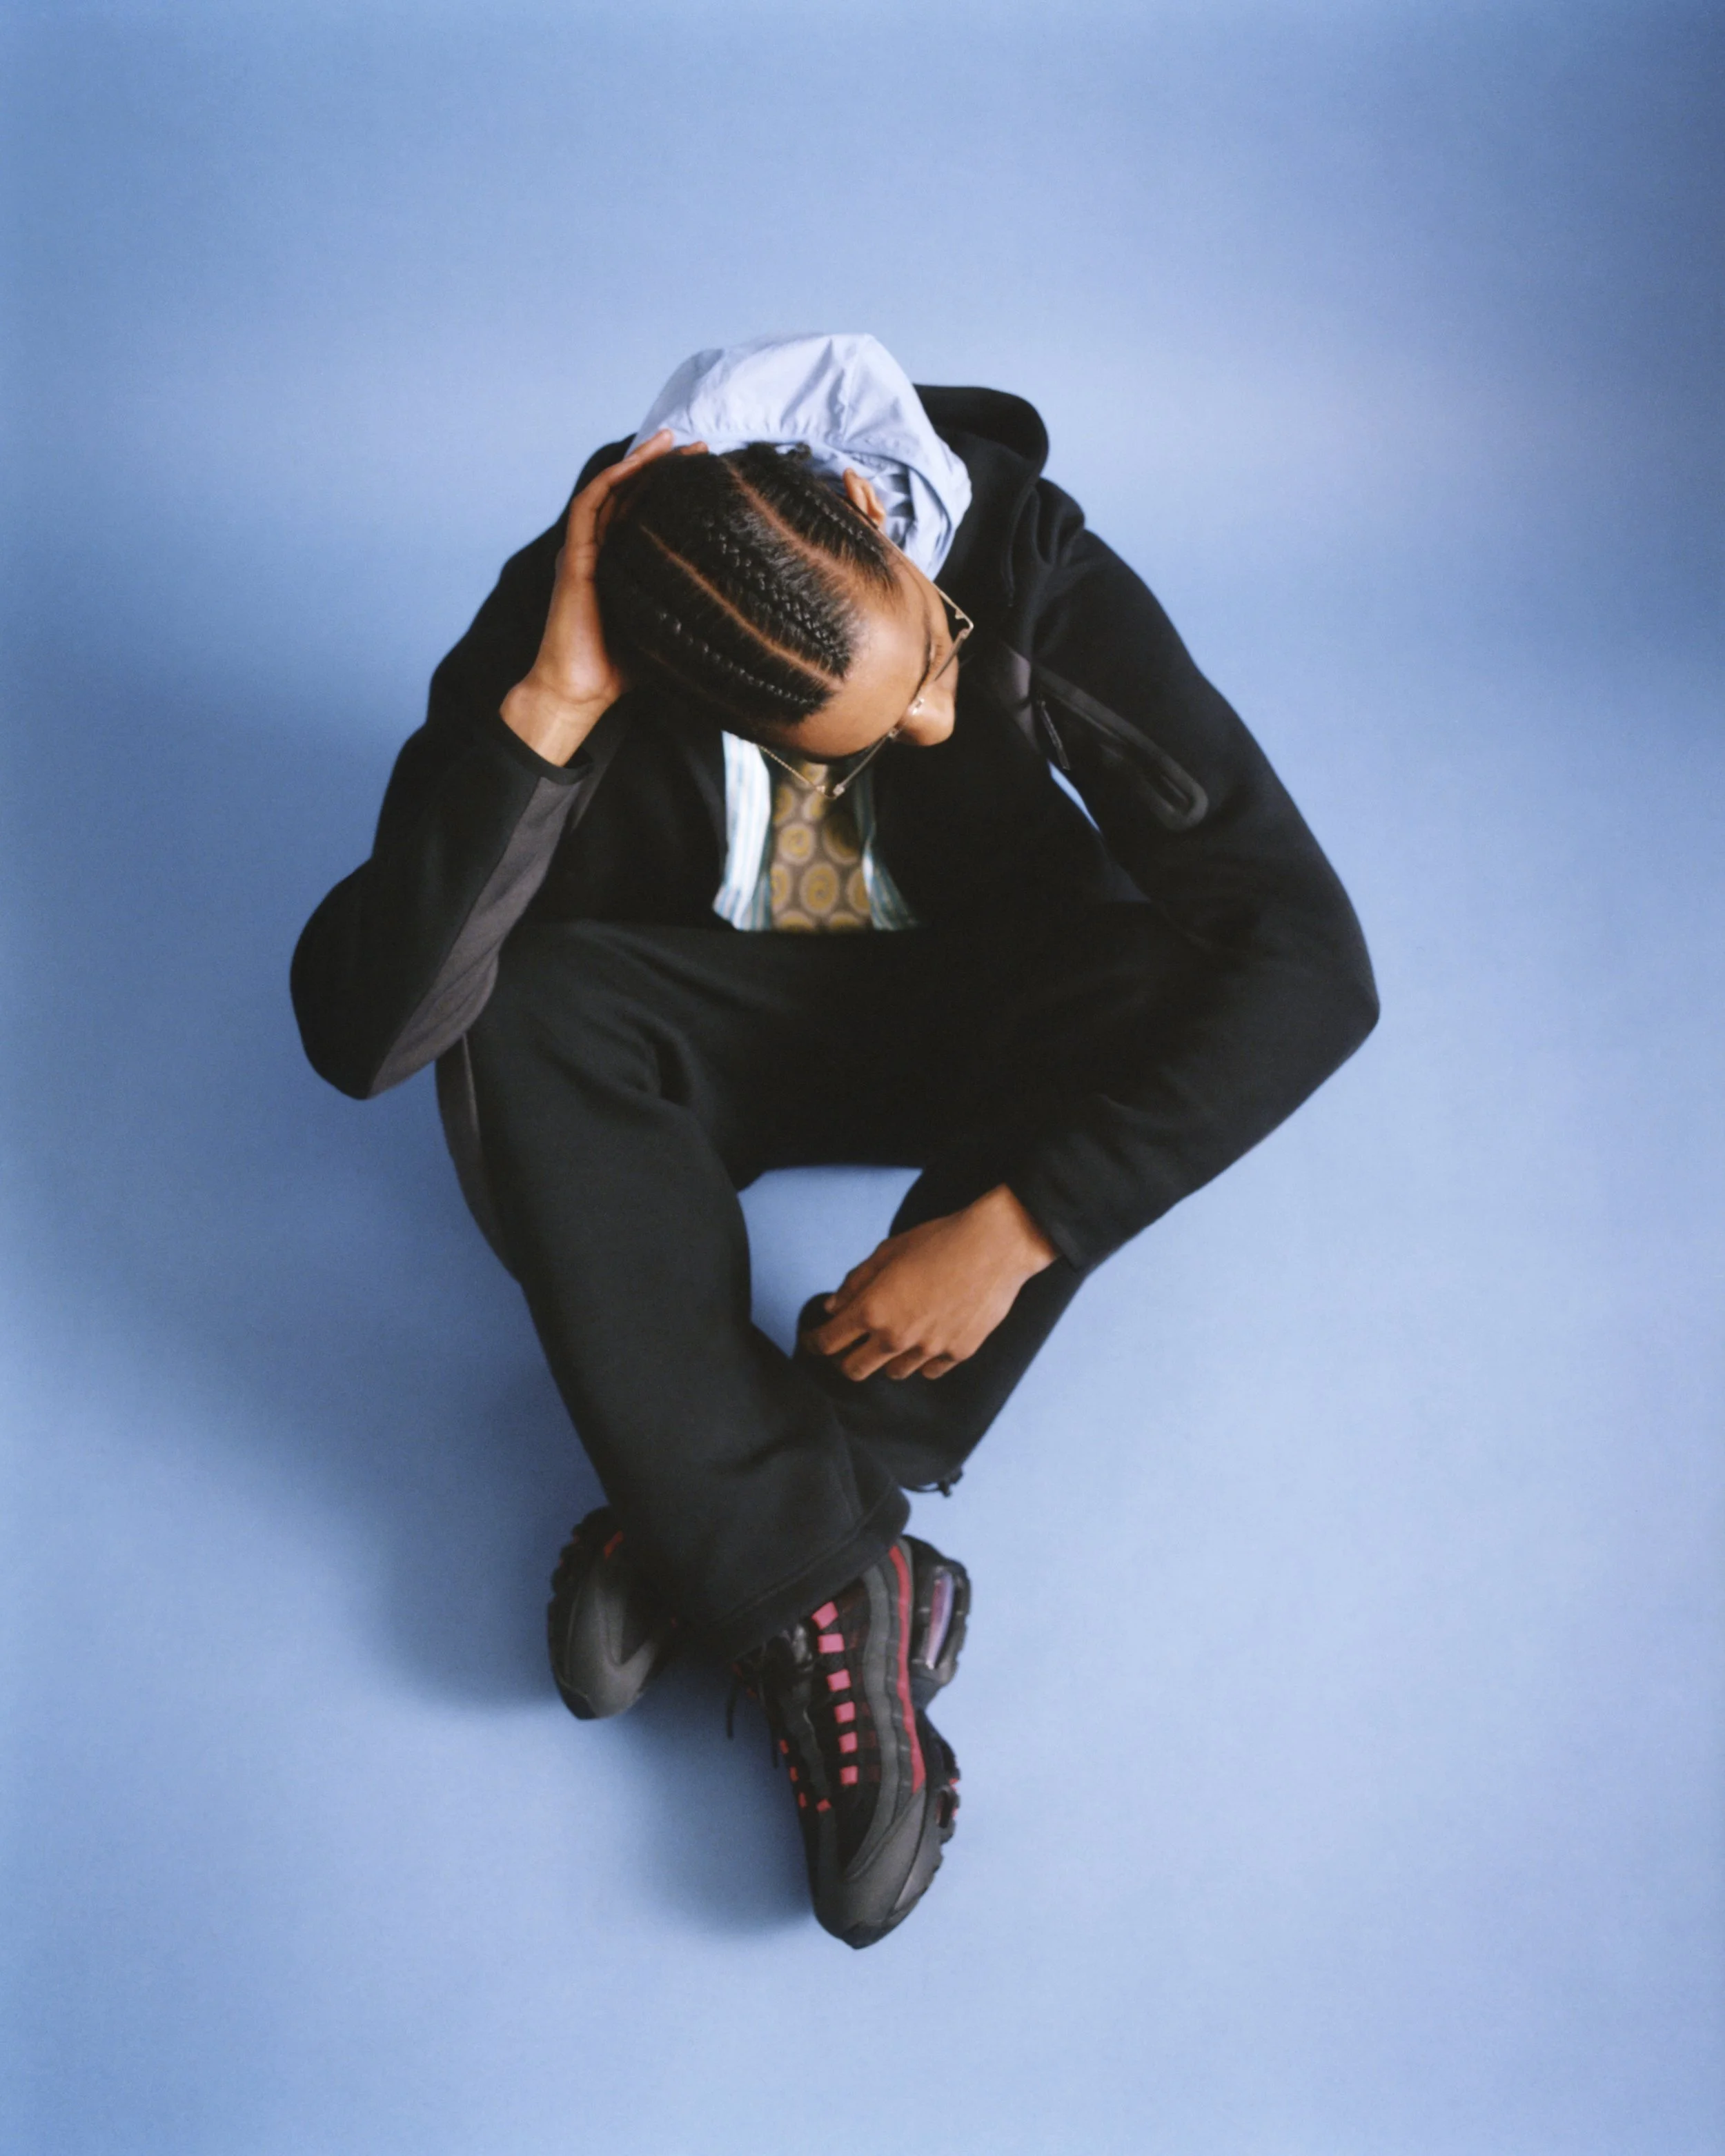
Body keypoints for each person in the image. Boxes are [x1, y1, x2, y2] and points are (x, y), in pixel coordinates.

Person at [291, 332, 1378, 1949]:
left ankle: (715, 1508)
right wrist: (554, 705)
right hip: (712, 1012)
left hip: (981, 1001)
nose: (935, 715)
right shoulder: (574, 616)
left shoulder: (1012, 559)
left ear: (877, 517)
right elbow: (363, 1029)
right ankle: (834, 1578)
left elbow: (1308, 952)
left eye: (930, 652)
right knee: (514, 1015)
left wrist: (1022, 1221)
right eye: (872, 725)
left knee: (1162, 975)